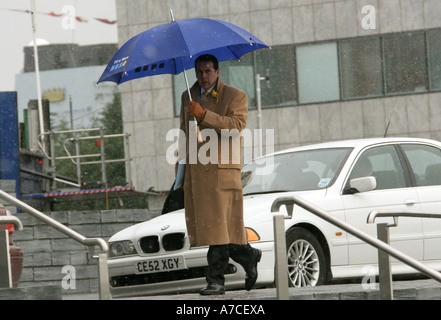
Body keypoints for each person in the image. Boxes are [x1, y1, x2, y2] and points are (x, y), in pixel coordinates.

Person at [178, 54, 261, 295]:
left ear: (217, 72)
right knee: (214, 229)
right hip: (197, 173)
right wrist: (180, 171)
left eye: (207, 71)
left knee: (218, 229)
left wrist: (204, 115)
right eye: (199, 72)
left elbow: (236, 126)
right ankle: (248, 254)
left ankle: (216, 280)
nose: (203, 77)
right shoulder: (187, 95)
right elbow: (184, 133)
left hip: (221, 173)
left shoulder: (235, 95)